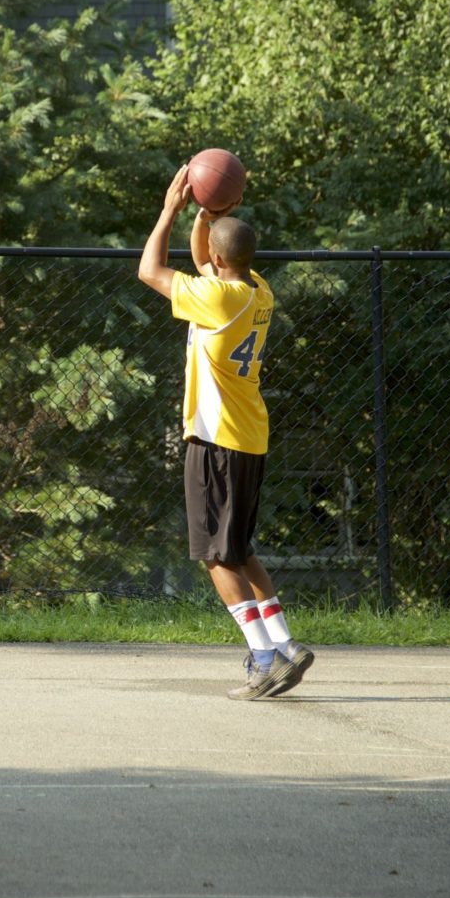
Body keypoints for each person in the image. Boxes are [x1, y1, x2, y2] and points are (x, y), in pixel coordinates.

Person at [138, 164, 313, 700]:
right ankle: (284, 644)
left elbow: (150, 270)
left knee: (214, 555)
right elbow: (201, 261)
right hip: (249, 435)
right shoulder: (257, 291)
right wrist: (207, 218)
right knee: (238, 547)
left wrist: (171, 210)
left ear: (219, 259)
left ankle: (262, 659)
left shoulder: (215, 298)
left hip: (215, 440)